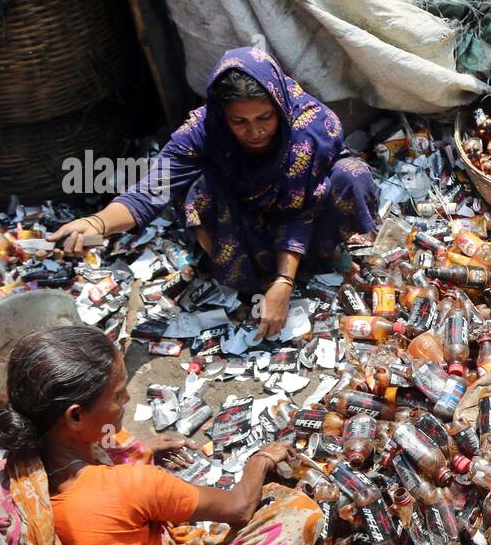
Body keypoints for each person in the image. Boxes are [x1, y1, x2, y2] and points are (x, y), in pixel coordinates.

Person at [0, 325, 323, 545]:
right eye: (117, 395)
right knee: (298, 512)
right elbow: (239, 507)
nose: (128, 398)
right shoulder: (132, 486)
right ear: (74, 416)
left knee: (120, 445)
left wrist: (142, 450)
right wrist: (260, 459)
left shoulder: (1, 479)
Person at [52, 47, 378, 340]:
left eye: (265, 117)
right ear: (222, 115)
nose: (255, 131)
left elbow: (300, 210)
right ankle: (248, 275)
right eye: (240, 121)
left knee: (353, 176)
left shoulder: (311, 128)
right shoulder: (204, 131)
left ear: (279, 104)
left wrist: (284, 281)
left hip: (307, 216)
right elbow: (151, 191)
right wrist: (97, 223)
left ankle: (316, 258)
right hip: (243, 222)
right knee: (196, 188)